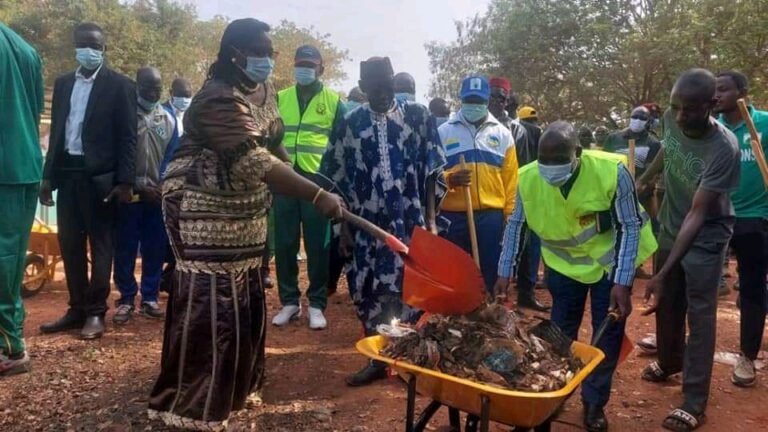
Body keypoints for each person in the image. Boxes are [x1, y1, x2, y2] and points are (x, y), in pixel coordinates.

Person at [147, 19, 344, 430]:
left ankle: (237, 388)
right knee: (214, 297)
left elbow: (273, 145)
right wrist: (316, 195)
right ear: (235, 54)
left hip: (246, 208)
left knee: (245, 294)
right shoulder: (217, 98)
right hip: (203, 209)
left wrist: (308, 180)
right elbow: (254, 159)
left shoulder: (263, 89)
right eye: (261, 52)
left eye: (272, 53)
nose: (269, 60)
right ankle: (195, 399)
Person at [496, 121, 657, 432]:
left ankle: (594, 403)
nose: (550, 168)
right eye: (544, 160)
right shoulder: (528, 177)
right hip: (563, 267)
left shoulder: (612, 171)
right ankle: (552, 395)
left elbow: (629, 226)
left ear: (578, 153)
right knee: (559, 335)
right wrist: (505, 269)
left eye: (558, 160)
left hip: (609, 266)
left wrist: (623, 282)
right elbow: (517, 225)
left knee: (605, 338)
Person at [320, 56, 446, 387]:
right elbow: (335, 181)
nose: (381, 92)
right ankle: (377, 360)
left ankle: (408, 362)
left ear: (394, 81)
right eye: (373, 87)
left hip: (409, 221)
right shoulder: (349, 122)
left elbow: (433, 173)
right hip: (365, 227)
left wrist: (431, 222)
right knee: (367, 291)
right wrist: (344, 229)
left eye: (386, 85)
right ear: (362, 88)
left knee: (411, 292)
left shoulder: (418, 117)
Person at [640, 69, 740, 432]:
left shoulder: (724, 148)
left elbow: (699, 213)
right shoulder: (671, 116)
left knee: (700, 317)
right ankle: (669, 362)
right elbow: (669, 147)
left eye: (690, 110)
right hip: (671, 225)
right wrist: (646, 177)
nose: (680, 117)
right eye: (676, 108)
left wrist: (662, 272)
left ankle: (694, 402)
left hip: (706, 236)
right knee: (666, 305)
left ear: (711, 105)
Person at [39, 22, 137, 340]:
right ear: (75, 46)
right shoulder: (64, 83)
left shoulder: (119, 85)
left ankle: (96, 312)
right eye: (83, 43)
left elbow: (128, 138)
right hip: (67, 176)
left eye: (95, 44)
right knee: (70, 245)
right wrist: (47, 176)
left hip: (101, 180)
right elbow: (57, 133)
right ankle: (77, 308)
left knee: (101, 245)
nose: (89, 49)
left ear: (103, 48)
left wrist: (125, 182)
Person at [273, 45, 345, 330]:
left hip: (318, 183)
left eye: (310, 65)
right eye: (300, 64)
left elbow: (340, 146)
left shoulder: (334, 101)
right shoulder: (280, 98)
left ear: (321, 69)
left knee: (318, 245)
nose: (304, 69)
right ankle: (289, 302)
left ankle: (317, 303)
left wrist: (334, 185)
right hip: (285, 180)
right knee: (285, 243)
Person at [713, 70, 768, 388]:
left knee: (750, 288)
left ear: (742, 92)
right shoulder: (713, 129)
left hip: (754, 217)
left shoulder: (762, 123)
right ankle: (677, 344)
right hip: (717, 215)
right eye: (714, 90)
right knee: (700, 283)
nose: (716, 95)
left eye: (723, 89)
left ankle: (747, 357)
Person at [112, 67, 179, 325]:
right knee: (125, 248)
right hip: (130, 197)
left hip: (156, 198)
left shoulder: (169, 119)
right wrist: (137, 186)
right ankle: (127, 298)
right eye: (147, 87)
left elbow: (172, 157)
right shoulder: (126, 116)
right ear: (136, 86)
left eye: (157, 88)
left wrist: (162, 185)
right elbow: (120, 154)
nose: (152, 92)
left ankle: (150, 297)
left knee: (155, 247)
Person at [438, 75, 518, 291]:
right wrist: (449, 179)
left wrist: (509, 218)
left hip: (490, 217)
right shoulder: (443, 132)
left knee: (490, 272)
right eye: (469, 101)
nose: (474, 106)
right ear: (461, 100)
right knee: (456, 273)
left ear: (486, 101)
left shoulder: (503, 135)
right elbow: (430, 176)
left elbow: (511, 183)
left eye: (478, 102)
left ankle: (487, 319)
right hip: (453, 216)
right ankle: (455, 319)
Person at [0, 23, 44, 377]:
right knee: (8, 263)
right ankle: (11, 342)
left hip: (5, 169)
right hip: (23, 166)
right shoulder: (25, 50)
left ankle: (8, 348)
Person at [508, 97, 547, 309]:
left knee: (518, 242)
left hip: (518, 190)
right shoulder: (537, 132)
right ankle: (526, 292)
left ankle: (513, 288)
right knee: (531, 244)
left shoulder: (515, 129)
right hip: (533, 191)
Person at [602, 106, 662, 177]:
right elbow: (604, 162)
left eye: (642, 118)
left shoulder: (653, 143)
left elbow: (652, 171)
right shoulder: (613, 138)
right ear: (630, 118)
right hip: (613, 182)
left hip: (637, 185)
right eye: (635, 117)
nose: (638, 120)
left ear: (648, 121)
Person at [488, 77, 531, 164]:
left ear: (507, 101)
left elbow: (523, 165)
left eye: (500, 98)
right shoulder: (475, 124)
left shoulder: (517, 130)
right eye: (492, 97)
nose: (495, 101)